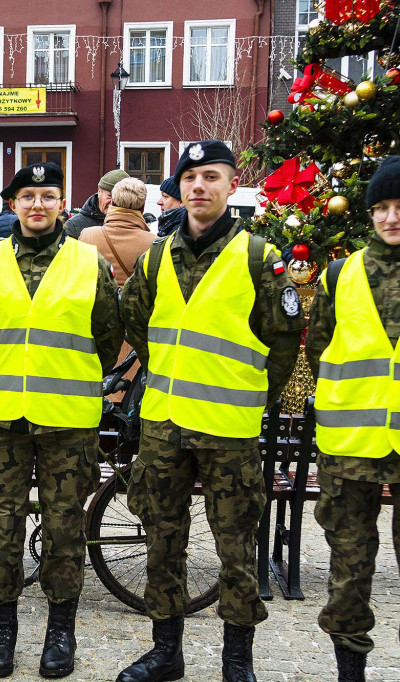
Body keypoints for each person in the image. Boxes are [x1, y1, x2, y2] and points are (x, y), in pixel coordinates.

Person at [117, 141, 305, 682]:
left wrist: (245, 391)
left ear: (230, 184)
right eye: (191, 177)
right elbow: (139, 326)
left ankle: (236, 660)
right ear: (180, 188)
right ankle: (165, 652)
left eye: (212, 176)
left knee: (235, 548)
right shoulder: (156, 257)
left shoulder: (258, 258)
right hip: (164, 427)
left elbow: (284, 341)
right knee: (162, 540)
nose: (200, 186)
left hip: (229, 431)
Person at [0, 162, 123, 679]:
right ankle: (2, 628)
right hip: (2, 422)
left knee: (63, 530)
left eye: (47, 195)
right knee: (1, 530)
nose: (37, 205)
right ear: (13, 204)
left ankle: (61, 629)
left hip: (67, 423)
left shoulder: (88, 262)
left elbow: (106, 334)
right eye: (27, 195)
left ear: (63, 203)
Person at [306, 155, 400, 682]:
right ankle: (350, 671)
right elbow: (321, 348)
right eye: (381, 207)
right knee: (349, 568)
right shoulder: (340, 275)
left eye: (399, 206)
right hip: (350, 446)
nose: (391, 217)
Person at [79, 177, 156, 287]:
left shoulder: (87, 236)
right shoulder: (154, 244)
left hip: (96, 303)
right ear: (142, 208)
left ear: (112, 202)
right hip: (134, 304)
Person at [63, 169, 129, 240]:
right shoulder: (74, 226)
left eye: (120, 198)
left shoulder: (138, 225)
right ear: (99, 191)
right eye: (110, 196)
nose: (114, 202)